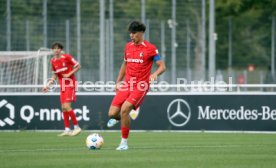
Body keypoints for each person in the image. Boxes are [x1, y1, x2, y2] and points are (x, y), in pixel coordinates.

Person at [107, 21, 166, 150]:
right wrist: (118, 81)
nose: (131, 35)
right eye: (130, 33)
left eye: (134, 33)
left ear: (141, 33)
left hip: (141, 86)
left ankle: (124, 143)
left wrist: (155, 74)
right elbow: (125, 64)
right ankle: (123, 117)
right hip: (127, 84)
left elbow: (162, 66)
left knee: (124, 109)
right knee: (112, 113)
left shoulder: (150, 49)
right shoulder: (128, 46)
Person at [43, 42, 82, 137]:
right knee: (63, 108)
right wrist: (48, 84)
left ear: (61, 50)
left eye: (58, 48)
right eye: (54, 48)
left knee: (67, 106)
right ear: (52, 50)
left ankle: (77, 127)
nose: (56, 50)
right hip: (63, 86)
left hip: (70, 84)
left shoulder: (67, 57)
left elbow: (78, 66)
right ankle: (67, 129)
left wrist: (69, 74)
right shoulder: (53, 61)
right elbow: (55, 74)